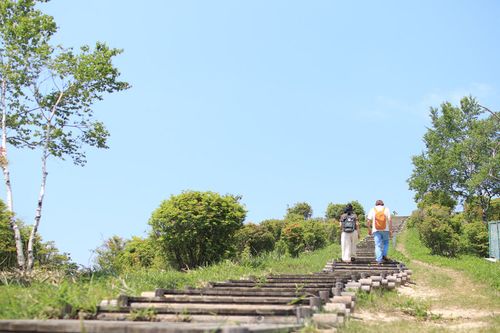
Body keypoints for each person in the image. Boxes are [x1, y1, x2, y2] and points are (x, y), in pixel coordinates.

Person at [366, 200, 393, 264]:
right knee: (386, 243)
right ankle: (384, 255)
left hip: (376, 230)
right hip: (385, 230)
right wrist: (391, 230)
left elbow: (368, 220)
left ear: (376, 204)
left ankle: (379, 260)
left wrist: (369, 229)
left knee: (377, 245)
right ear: (382, 204)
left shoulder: (373, 209)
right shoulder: (386, 209)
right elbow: (390, 220)